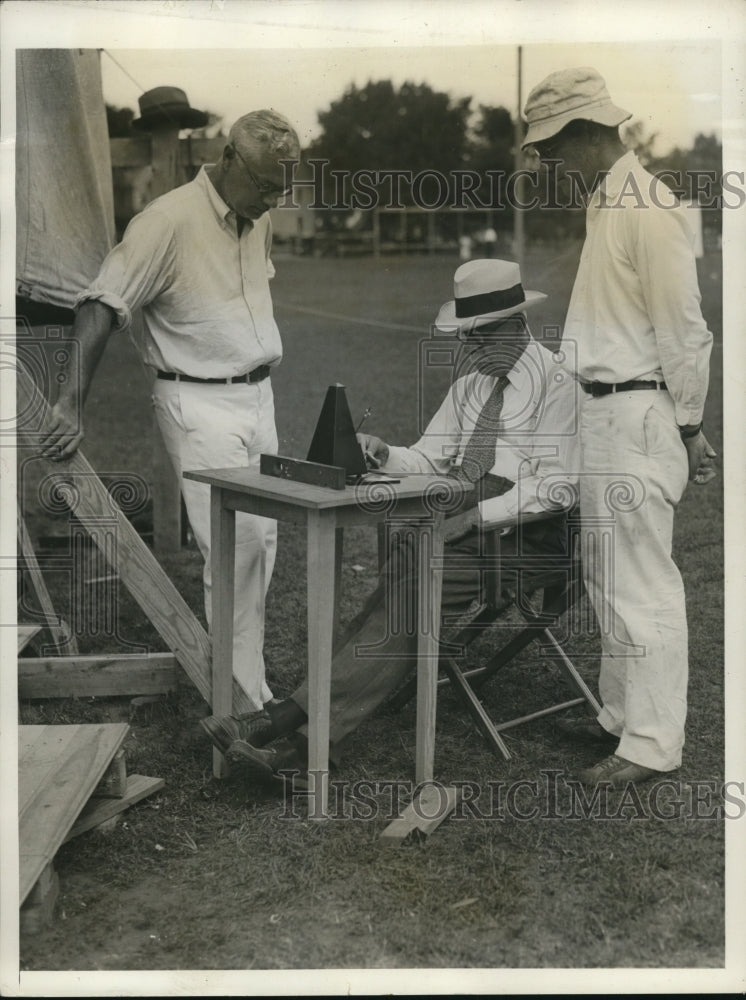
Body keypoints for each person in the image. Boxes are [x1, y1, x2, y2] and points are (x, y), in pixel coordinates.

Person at [201, 258, 579, 783]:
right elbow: (430, 457)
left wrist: (473, 518)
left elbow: (557, 489)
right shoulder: (473, 385)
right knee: (404, 593)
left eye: (480, 337)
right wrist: (385, 455)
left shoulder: (561, 384)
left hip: (530, 537)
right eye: (467, 338)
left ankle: (296, 737)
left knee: (412, 595)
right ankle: (292, 728)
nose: (470, 350)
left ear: (515, 325)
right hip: (464, 519)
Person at [38, 109, 301, 711]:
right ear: (227, 158)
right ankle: (237, 705)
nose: (271, 199)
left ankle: (249, 687)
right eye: (264, 183)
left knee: (262, 543)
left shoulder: (256, 214)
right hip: (196, 399)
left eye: (282, 186)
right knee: (231, 547)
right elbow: (102, 303)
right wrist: (69, 402)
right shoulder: (166, 221)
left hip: (258, 394)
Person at [521, 67, 717, 787]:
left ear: (586, 134)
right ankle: (620, 716)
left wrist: (690, 425)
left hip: (637, 413)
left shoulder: (648, 205)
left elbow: (686, 330)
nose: (547, 164)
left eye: (550, 148)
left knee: (642, 583)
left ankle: (653, 744)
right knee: (607, 576)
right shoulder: (606, 203)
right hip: (601, 410)